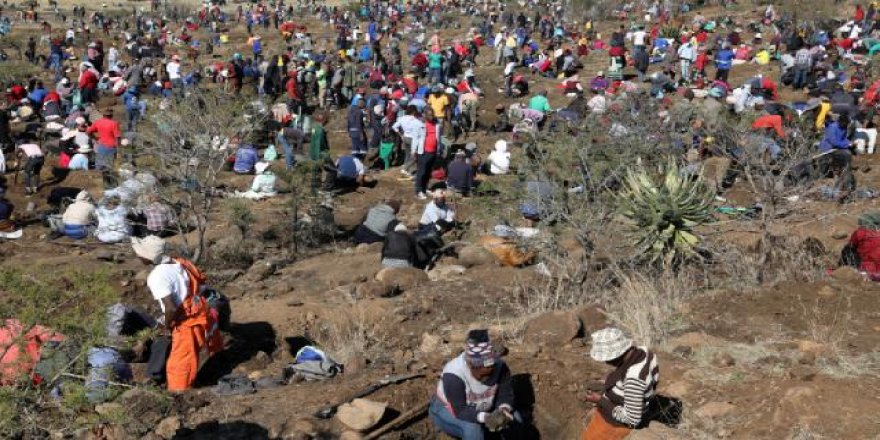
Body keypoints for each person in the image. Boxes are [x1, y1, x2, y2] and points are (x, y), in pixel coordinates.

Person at [131, 235, 222, 392]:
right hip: (199, 312)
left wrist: (166, 327)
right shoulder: (178, 263)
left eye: (140, 253)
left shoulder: (157, 276)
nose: (137, 255)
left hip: (188, 322)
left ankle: (179, 396)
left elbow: (171, 308)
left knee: (180, 365)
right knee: (182, 355)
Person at [430, 329, 525, 440]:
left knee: (515, 420)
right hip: (449, 410)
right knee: (473, 428)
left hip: (483, 408)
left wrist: (503, 410)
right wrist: (486, 418)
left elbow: (505, 395)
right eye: (482, 375)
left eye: (490, 374)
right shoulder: (453, 374)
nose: (486, 379)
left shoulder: (500, 367)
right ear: (470, 366)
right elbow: (460, 410)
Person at [582, 328, 659, 440]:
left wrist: (600, 400)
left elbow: (632, 419)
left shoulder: (633, 379)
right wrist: (615, 380)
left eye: (607, 359)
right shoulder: (644, 351)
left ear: (617, 355)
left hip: (613, 426)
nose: (605, 362)